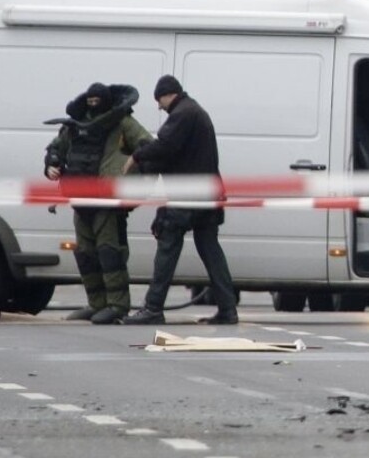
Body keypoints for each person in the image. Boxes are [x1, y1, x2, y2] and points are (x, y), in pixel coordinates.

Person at [122, 75, 237, 325]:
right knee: (211, 252)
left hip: (188, 195)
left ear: (168, 94)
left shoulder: (183, 114)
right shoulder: (194, 111)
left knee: (167, 247)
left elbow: (165, 147)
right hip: (207, 194)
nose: (159, 106)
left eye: (159, 100)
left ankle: (153, 308)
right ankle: (228, 309)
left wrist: (136, 156)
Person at [43, 82, 153, 324]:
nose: (93, 104)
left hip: (107, 200)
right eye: (90, 100)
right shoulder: (75, 125)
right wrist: (51, 164)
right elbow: (56, 149)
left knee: (109, 252)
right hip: (80, 197)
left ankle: (117, 304)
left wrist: (134, 177)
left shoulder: (122, 122)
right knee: (85, 253)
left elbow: (147, 145)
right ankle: (96, 303)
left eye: (97, 100)